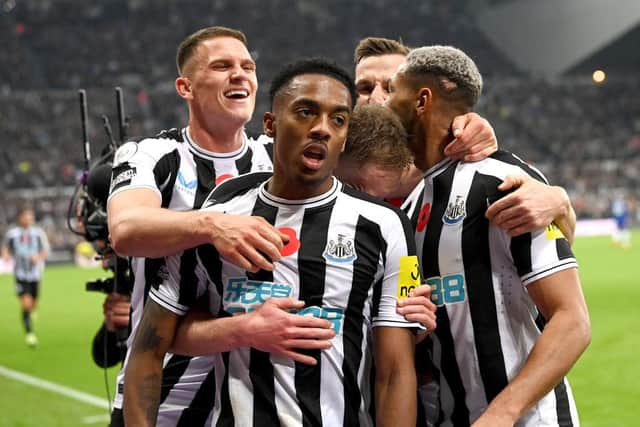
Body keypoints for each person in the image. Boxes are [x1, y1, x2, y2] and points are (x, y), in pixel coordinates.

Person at [124, 57, 431, 427]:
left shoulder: (385, 225)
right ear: (270, 124)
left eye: (338, 119)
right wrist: (241, 328)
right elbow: (150, 345)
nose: (321, 129)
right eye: (305, 112)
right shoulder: (220, 214)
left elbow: (396, 372)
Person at [104, 26, 303, 426]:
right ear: (186, 87)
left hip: (260, 396)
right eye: (221, 65)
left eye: (247, 66)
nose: (240, 74)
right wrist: (213, 225)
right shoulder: (154, 155)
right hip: (167, 393)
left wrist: (466, 128)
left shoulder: (277, 156)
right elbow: (125, 229)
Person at [388, 45, 591, 426]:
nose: (383, 103)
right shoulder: (410, 208)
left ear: (422, 99)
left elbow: (572, 320)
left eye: (391, 90)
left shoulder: (502, 183)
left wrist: (500, 415)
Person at [354, 37, 577, 243]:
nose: (376, 98)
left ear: (418, 98)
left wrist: (560, 202)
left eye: (390, 88)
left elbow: (554, 247)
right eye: (364, 88)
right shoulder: (331, 168)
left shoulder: (464, 167)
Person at [1, 206, 49, 347]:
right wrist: (6, 255)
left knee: (34, 303)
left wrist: (38, 257)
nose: (29, 219)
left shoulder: (38, 233)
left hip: (35, 274)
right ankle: (30, 334)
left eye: (31, 216)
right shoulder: (12, 234)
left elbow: (45, 251)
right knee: (26, 303)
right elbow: (6, 248)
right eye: (27, 216)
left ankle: (31, 313)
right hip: (20, 274)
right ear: (20, 218)